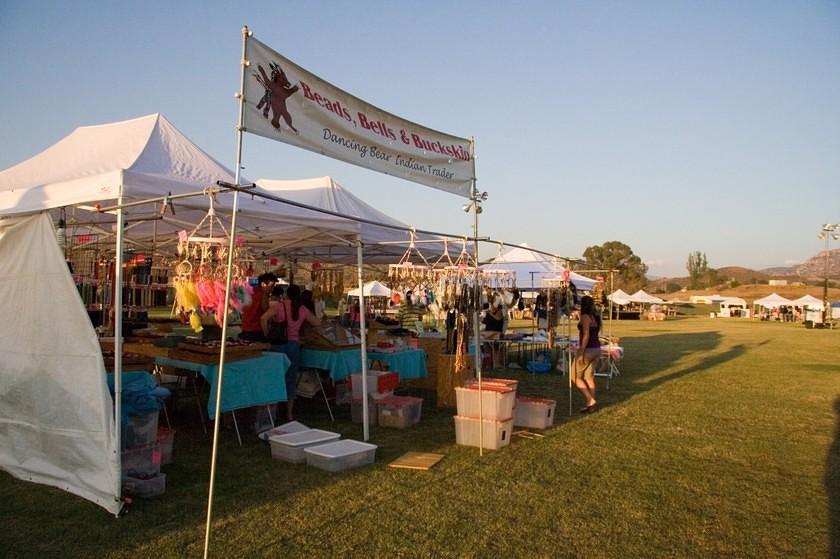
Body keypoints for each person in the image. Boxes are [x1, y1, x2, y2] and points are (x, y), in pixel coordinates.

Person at [260, 284, 320, 421]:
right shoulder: (302, 308)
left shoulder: (279, 306)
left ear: (286, 294)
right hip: (293, 346)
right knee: (290, 379)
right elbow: (317, 323)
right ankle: (289, 414)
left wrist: (267, 334)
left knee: (275, 377)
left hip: (277, 346)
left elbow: (263, 318)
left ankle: (272, 413)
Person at [573, 295, 601, 413]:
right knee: (589, 377)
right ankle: (591, 407)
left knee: (575, 377)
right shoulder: (595, 317)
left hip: (588, 349)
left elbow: (586, 334)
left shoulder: (585, 317)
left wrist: (581, 352)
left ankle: (590, 400)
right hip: (596, 349)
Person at [239, 272, 277, 341]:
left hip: (245, 329)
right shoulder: (263, 295)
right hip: (256, 331)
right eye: (271, 286)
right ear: (263, 284)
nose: (272, 289)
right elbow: (266, 313)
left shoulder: (250, 292)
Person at [482, 303, 505, 368]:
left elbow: (498, 318)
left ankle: (496, 363)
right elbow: (484, 322)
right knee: (487, 349)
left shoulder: (499, 312)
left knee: (496, 348)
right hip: (487, 333)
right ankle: (488, 364)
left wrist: (491, 314)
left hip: (496, 334)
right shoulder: (487, 313)